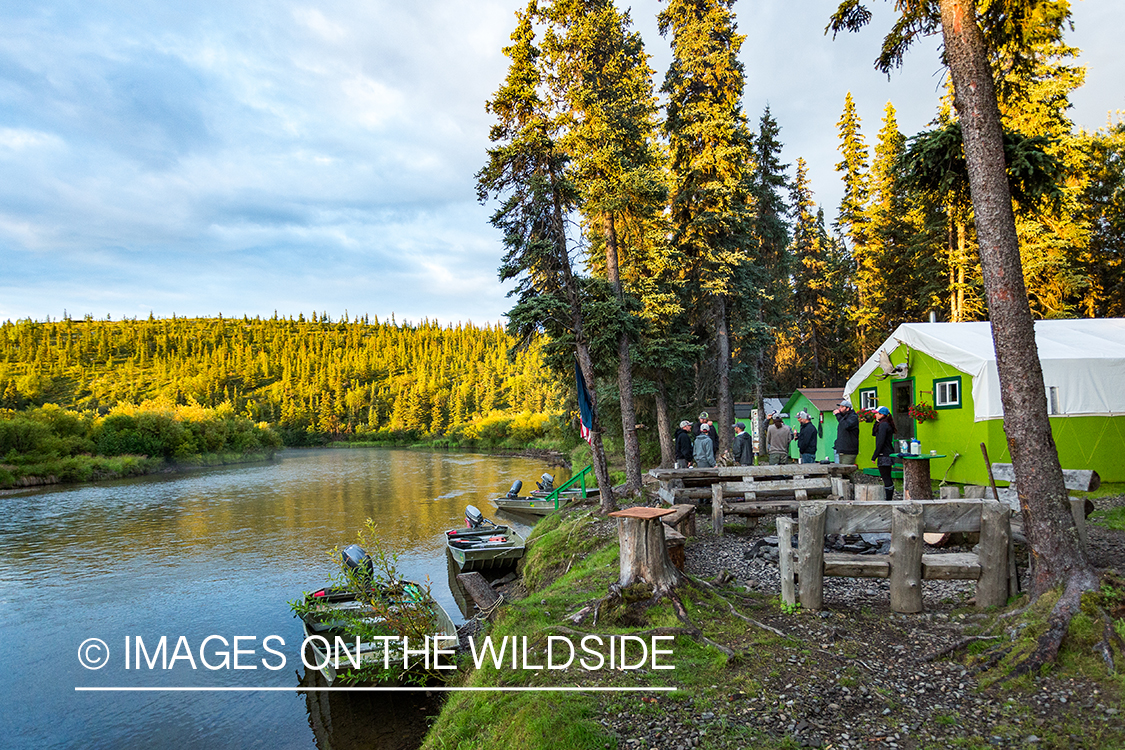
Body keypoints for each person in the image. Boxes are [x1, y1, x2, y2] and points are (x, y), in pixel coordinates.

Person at [872, 405, 897, 501]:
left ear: (882, 414)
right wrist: (876, 422)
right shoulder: (884, 424)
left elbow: (880, 442)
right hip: (887, 453)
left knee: (886, 477)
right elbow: (874, 433)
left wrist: (874, 456)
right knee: (886, 476)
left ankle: (889, 499)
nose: (876, 415)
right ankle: (889, 497)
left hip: (884, 454)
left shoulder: (883, 425)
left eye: (877, 414)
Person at [833, 399, 860, 466]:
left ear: (848, 408)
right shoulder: (845, 417)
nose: (839, 409)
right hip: (842, 449)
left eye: (842, 407)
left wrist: (838, 415)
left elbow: (846, 426)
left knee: (846, 470)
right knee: (842, 471)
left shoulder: (853, 417)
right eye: (840, 407)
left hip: (849, 450)